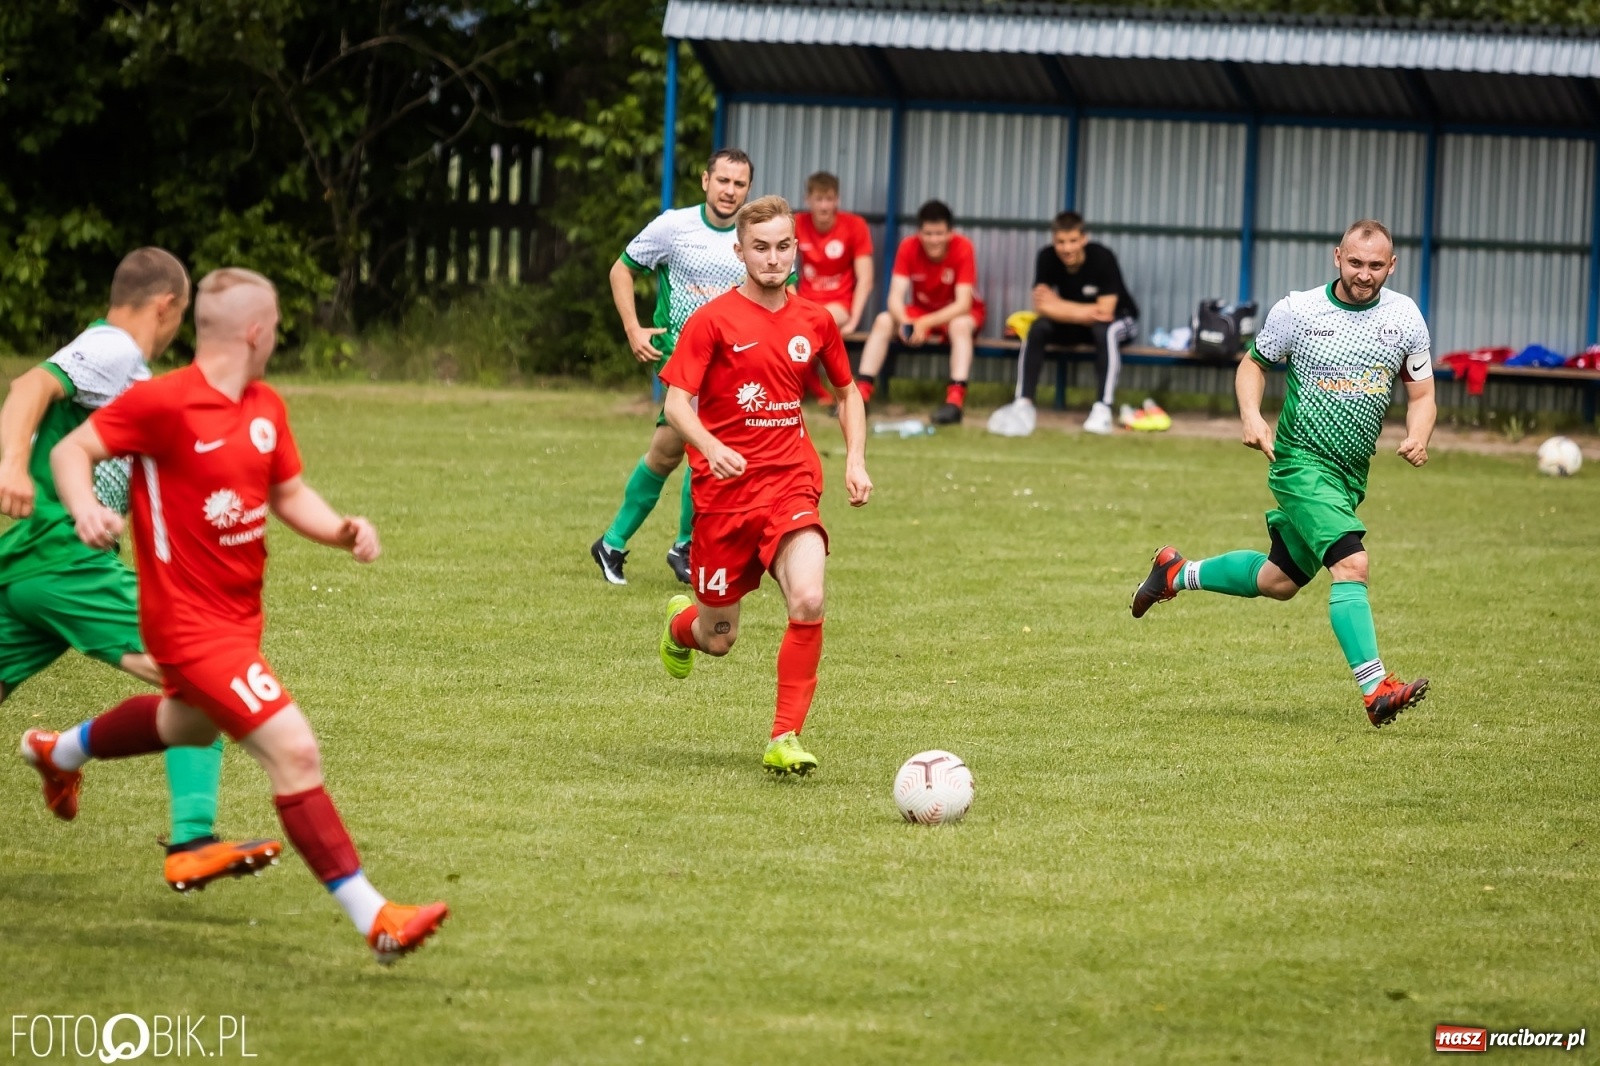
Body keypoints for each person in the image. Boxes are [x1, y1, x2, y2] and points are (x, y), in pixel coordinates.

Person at [22, 268, 448, 962]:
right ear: (255, 331)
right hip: (186, 625)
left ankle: (55, 751)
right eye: (276, 325)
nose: (277, 336)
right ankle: (377, 918)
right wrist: (85, 506)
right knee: (295, 748)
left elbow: (289, 494)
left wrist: (339, 529)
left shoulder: (265, 407)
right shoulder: (163, 404)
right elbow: (74, 449)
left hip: (237, 619)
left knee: (183, 721)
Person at [0, 247, 279, 893]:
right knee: (206, 678)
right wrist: (12, 464)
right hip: (66, 559)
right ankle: (191, 841)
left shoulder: (126, 372)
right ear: (167, 305)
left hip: (27, 570)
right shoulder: (115, 350)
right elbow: (29, 386)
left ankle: (57, 752)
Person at [1130, 220, 1435, 728]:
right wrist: (1252, 416)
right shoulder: (1298, 310)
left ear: (1392, 265)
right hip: (1299, 465)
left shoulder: (1405, 318)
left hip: (1348, 478)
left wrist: (1419, 434)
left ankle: (1176, 572)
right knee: (1352, 564)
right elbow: (1252, 365)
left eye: (1375, 265)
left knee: (1279, 581)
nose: (1364, 274)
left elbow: (1422, 395)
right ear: (1337, 256)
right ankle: (1375, 687)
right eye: (1355, 263)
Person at [655, 195, 872, 775]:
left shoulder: (815, 321)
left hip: (791, 486)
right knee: (718, 637)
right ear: (740, 250)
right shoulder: (713, 321)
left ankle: (785, 736)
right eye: (760, 247)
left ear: (794, 249)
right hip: (724, 499)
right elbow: (677, 403)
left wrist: (855, 460)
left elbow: (848, 393)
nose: (772, 259)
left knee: (808, 598)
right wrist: (710, 445)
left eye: (782, 247)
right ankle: (682, 627)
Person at [593, 149, 755, 586]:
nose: (730, 190)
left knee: (666, 452)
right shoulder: (674, 225)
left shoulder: (753, 236)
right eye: (723, 180)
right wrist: (633, 328)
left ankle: (611, 543)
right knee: (703, 447)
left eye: (739, 184)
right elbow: (621, 270)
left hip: (734, 363)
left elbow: (785, 293)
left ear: (748, 189)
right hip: (684, 358)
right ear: (705, 180)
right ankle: (686, 545)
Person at [988, 212, 1139, 437]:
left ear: (1083, 239)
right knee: (1037, 328)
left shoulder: (1102, 257)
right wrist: (1085, 312)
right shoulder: (1046, 257)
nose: (1067, 248)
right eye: (1061, 242)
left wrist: (1058, 304)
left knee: (1103, 331)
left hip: (1121, 320)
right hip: (1078, 324)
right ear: (1053, 241)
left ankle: (1102, 409)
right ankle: (1023, 404)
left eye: (1073, 241)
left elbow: (1106, 312)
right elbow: (1042, 307)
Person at [855, 200, 986, 425]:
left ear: (950, 233)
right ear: (919, 232)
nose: (934, 239)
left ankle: (954, 402)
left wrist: (924, 322)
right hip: (921, 312)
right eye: (928, 233)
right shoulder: (908, 246)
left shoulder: (964, 247)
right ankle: (860, 397)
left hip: (957, 313)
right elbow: (895, 296)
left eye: (939, 233)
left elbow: (963, 303)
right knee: (884, 319)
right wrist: (907, 321)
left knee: (960, 326)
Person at [794, 171, 875, 405]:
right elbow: (782, 267)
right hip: (804, 303)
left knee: (819, 322)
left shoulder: (855, 226)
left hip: (839, 305)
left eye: (829, 199)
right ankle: (808, 386)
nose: (824, 205)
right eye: (818, 199)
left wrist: (853, 321)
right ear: (807, 199)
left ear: (837, 199)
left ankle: (812, 386)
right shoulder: (796, 223)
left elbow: (866, 278)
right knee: (800, 325)